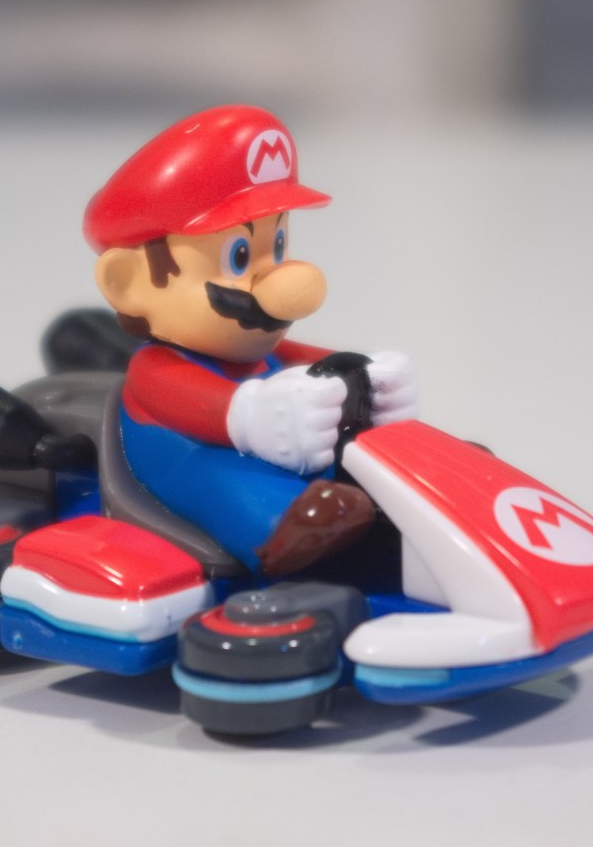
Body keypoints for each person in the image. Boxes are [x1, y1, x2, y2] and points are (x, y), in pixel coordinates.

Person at [84, 105, 417, 575]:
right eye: (239, 257)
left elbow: (310, 362)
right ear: (129, 283)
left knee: (361, 457)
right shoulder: (156, 370)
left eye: (277, 247)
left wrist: (365, 376)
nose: (283, 284)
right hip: (188, 460)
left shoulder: (263, 355)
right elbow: (206, 406)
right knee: (224, 477)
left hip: (291, 453)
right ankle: (280, 532)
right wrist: (255, 415)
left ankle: (422, 489)